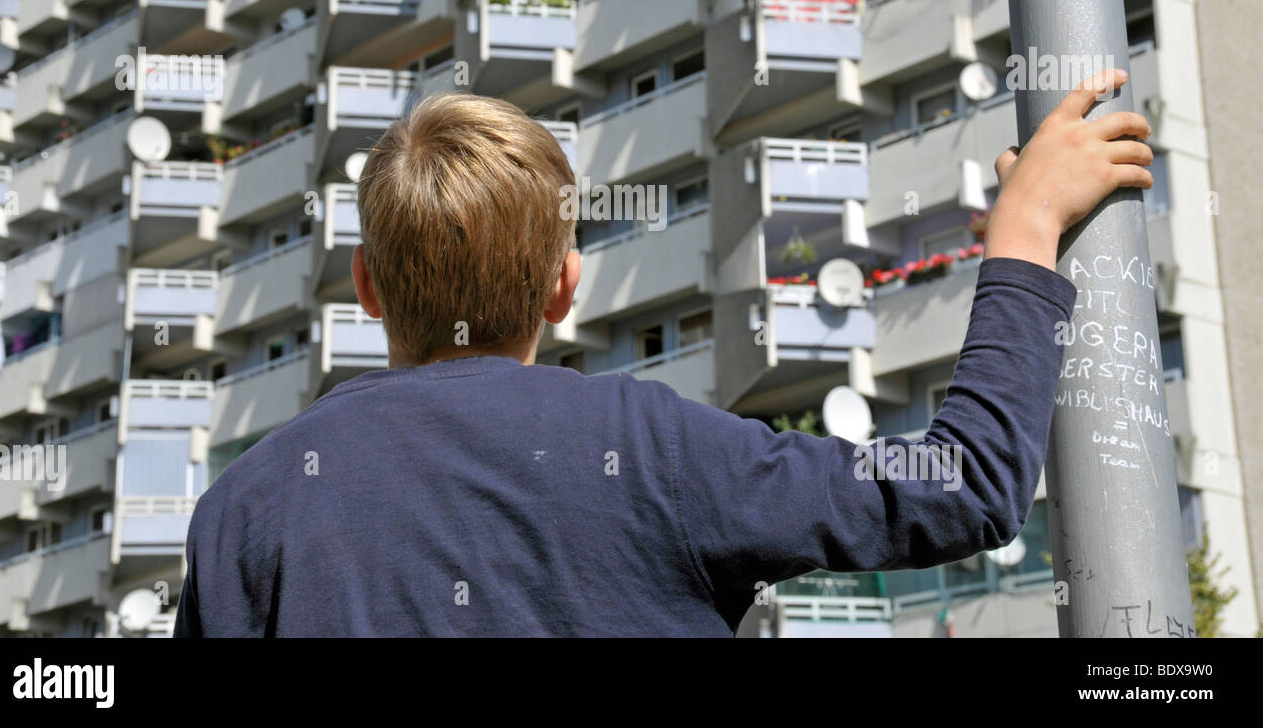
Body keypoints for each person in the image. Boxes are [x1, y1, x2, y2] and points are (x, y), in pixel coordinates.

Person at [175, 69, 1152, 636]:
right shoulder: (655, 451)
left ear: (367, 285)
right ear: (566, 283)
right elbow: (968, 485)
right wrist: (1022, 228)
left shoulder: (248, 509)